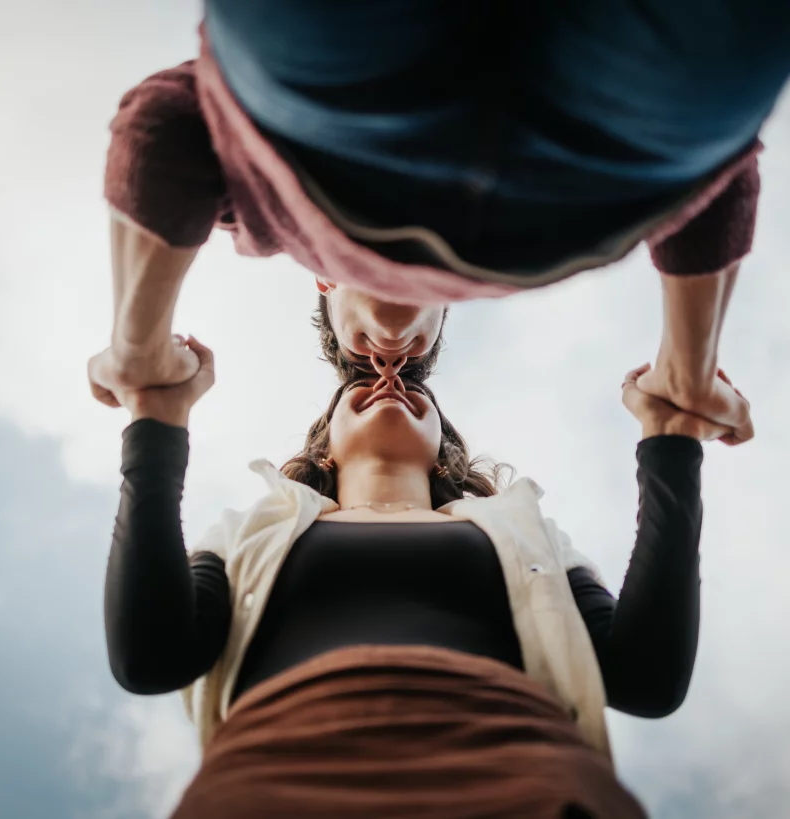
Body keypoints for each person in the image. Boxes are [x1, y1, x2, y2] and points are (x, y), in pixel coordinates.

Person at [88, 0, 790, 441]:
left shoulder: (266, 223)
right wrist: (686, 375)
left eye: (357, 359)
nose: (389, 361)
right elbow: (718, 183)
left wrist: (138, 354)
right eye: (417, 363)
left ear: (322, 280)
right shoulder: (528, 257)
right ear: (449, 304)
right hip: (621, 154)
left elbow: (160, 127)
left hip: (330, 119)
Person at [103, 335, 739, 818]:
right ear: (326, 444)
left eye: (421, 394)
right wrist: (156, 420)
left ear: (443, 448)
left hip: (527, 777)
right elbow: (150, 657)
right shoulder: (253, 530)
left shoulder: (526, 532)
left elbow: (646, 679)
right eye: (359, 388)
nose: (392, 385)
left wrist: (671, 441)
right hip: (276, 775)